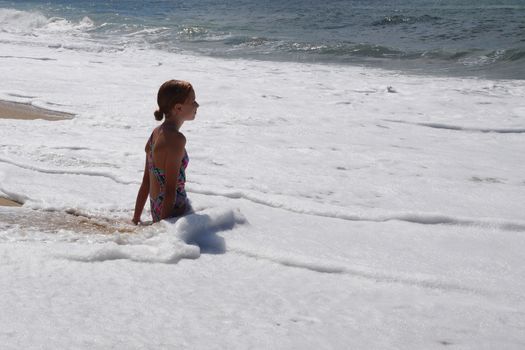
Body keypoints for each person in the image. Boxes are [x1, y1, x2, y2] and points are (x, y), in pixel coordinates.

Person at [132, 79, 199, 224]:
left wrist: (135, 219)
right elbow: (170, 191)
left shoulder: (156, 133)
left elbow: (145, 182)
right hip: (173, 215)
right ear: (178, 108)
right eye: (193, 101)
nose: (197, 105)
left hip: (157, 208)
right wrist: (162, 231)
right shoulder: (176, 139)